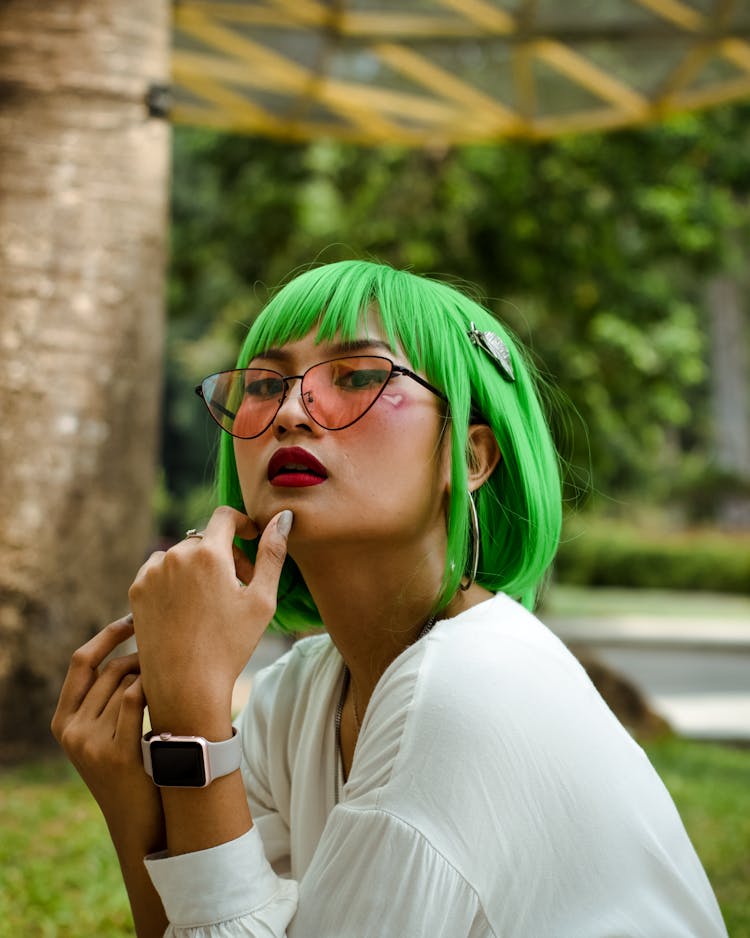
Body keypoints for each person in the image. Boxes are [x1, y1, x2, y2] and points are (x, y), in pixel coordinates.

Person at [52, 260, 728, 937]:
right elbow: (223, 921)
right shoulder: (295, 698)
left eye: (359, 377)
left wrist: (192, 719)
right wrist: (137, 813)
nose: (289, 411)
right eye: (263, 384)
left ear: (469, 459)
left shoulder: (465, 691)